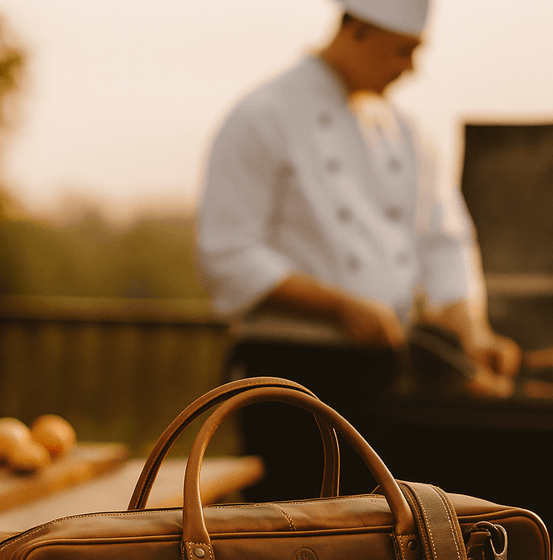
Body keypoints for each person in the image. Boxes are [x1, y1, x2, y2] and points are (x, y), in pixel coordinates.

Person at [196, 0, 522, 501]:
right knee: (301, 539)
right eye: (404, 50)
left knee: (389, 536)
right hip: (290, 377)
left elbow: (443, 244)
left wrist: (471, 332)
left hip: (383, 374)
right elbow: (227, 254)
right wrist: (341, 307)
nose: (411, 68)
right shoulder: (263, 115)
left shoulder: (407, 133)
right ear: (359, 30)